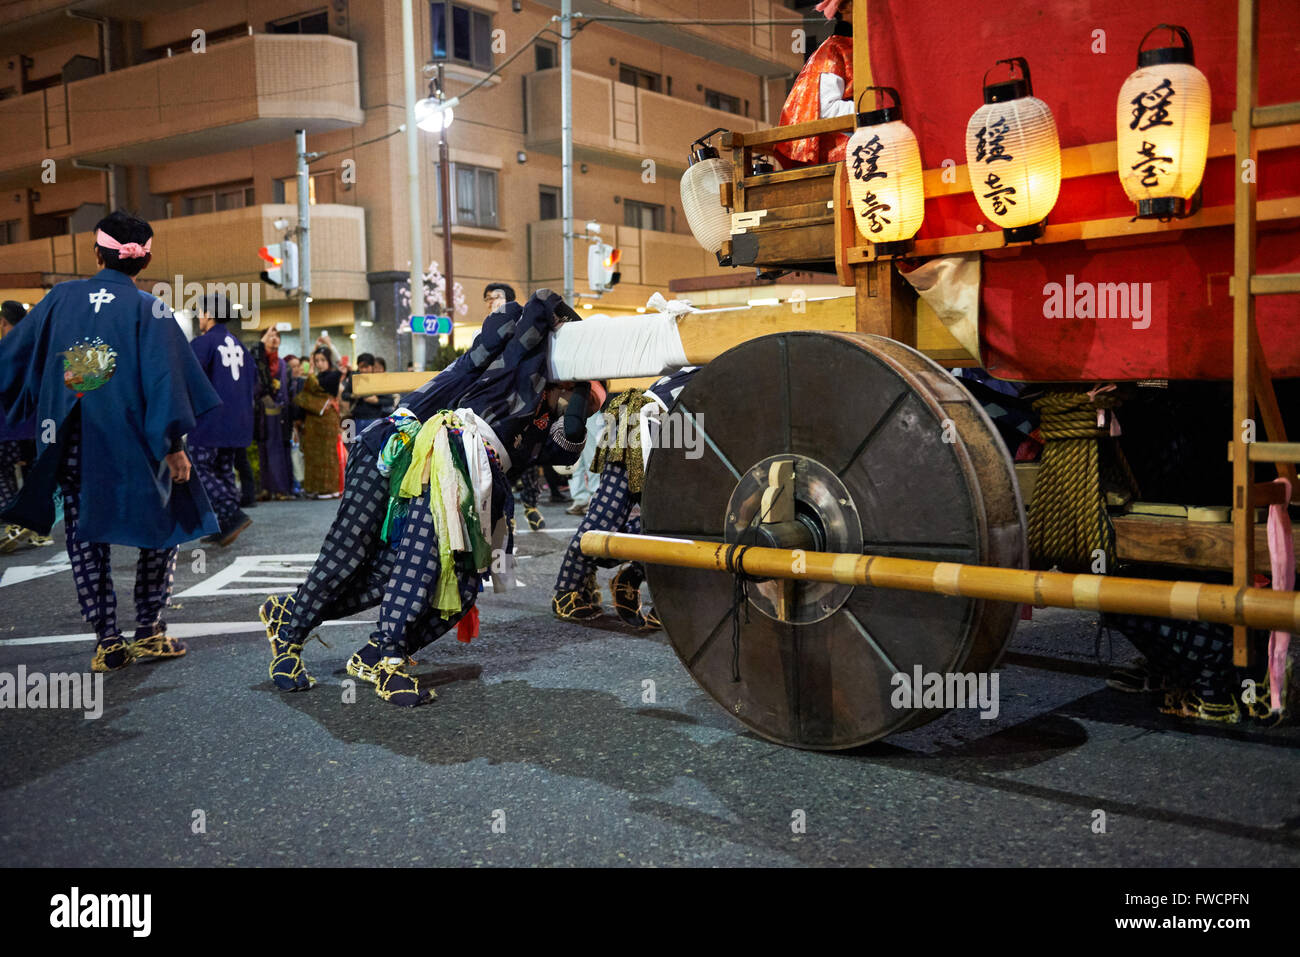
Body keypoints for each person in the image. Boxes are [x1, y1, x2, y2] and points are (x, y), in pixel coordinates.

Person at [258, 289, 584, 700]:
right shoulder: (495, 361)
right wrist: (559, 322)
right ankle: (292, 634)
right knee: (350, 554)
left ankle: (342, 635)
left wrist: (581, 387)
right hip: (394, 446)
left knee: (388, 575)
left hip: (440, 464)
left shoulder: (532, 407)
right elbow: (522, 313)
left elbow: (567, 440)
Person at [0, 211, 220, 672]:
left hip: (71, 438)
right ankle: (149, 630)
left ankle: (107, 640)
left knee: (85, 534)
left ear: (96, 252)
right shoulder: (152, 307)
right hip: (137, 440)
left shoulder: (60, 297)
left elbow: (13, 358)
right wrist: (174, 445)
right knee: (160, 528)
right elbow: (166, 382)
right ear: (143, 261)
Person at [553, 368, 697, 626]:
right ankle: (569, 588)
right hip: (649, 421)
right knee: (610, 514)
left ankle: (627, 579)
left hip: (669, 426)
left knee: (674, 522)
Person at [188, 291, 256, 546]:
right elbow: (254, 383)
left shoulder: (202, 343)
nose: (198, 317)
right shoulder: (240, 345)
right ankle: (224, 524)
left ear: (208, 314)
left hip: (210, 420)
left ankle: (230, 511)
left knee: (197, 466)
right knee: (223, 469)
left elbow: (188, 380)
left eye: (200, 312)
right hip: (238, 420)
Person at [774, 0, 854, 168]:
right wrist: (872, 108)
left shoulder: (867, 48)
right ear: (845, 6)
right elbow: (827, 109)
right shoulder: (832, 50)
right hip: (845, 157)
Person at [0, 301, 53, 552]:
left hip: (9, 426)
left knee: (4, 472)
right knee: (37, 474)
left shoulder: (5, 350)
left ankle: (14, 522)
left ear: (2, 322)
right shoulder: (38, 346)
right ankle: (40, 529)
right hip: (39, 423)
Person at [251, 328, 294, 500]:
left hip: (280, 413)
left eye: (277, 336)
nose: (274, 339)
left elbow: (288, 389)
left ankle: (281, 488)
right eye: (270, 335)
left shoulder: (283, 364)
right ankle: (266, 488)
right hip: (262, 411)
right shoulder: (257, 361)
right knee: (263, 448)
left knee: (279, 449)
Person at [294, 347, 342, 499]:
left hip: (327, 419)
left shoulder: (333, 376)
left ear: (329, 361)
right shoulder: (314, 377)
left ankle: (330, 488)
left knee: (328, 454)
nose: (320, 364)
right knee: (312, 454)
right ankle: (314, 487)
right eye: (317, 361)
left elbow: (315, 387)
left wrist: (310, 377)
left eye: (323, 360)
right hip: (313, 420)